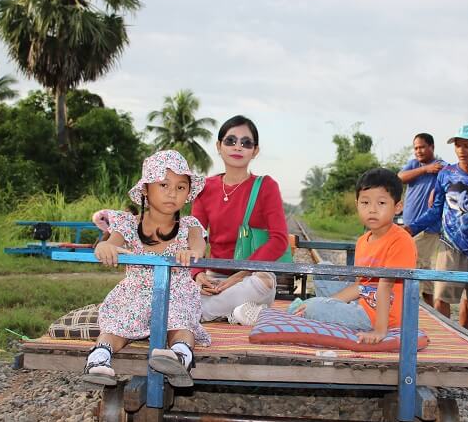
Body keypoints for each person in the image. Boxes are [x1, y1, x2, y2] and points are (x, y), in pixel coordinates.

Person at [83, 150, 209, 388]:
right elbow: (110, 243)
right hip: (136, 292)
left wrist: (192, 253)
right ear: (145, 190)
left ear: (188, 193)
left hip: (176, 292)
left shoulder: (189, 226)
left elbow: (199, 246)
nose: (172, 193)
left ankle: (180, 356)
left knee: (180, 322)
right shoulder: (129, 225)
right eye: (164, 185)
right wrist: (106, 248)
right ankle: (99, 358)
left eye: (181, 187)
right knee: (117, 324)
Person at [292, 168, 417, 343]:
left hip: (381, 315)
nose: (372, 210)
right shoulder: (363, 241)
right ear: (357, 204)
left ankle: (320, 312)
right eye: (365, 203)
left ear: (397, 207)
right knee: (322, 269)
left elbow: (385, 286)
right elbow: (360, 286)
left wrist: (379, 331)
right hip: (361, 301)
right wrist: (328, 303)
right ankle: (325, 310)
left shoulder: (401, 240)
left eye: (381, 203)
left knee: (312, 308)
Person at [191, 115, 289, 324]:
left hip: (250, 276)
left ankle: (199, 313)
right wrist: (198, 275)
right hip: (213, 277)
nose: (238, 147)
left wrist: (240, 276)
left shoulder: (266, 186)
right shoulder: (205, 188)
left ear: (255, 151)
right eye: (230, 141)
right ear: (219, 146)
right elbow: (195, 235)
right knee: (179, 285)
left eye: (246, 143)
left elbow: (279, 239)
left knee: (263, 283)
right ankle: (237, 312)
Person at [405, 124, 468, 330]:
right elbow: (436, 210)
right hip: (449, 244)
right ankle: (447, 335)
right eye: (458, 146)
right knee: (442, 295)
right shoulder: (446, 174)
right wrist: (412, 228)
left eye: (467, 146)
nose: (461, 151)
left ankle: (465, 336)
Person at [398, 132, 446, 308]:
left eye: (422, 147)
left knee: (417, 262)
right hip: (409, 226)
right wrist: (424, 169)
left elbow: (450, 182)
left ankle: (421, 307)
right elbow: (399, 178)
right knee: (420, 265)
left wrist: (438, 188)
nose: (418, 151)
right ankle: (432, 307)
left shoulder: (441, 167)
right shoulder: (414, 165)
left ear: (432, 147)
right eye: (416, 148)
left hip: (427, 227)